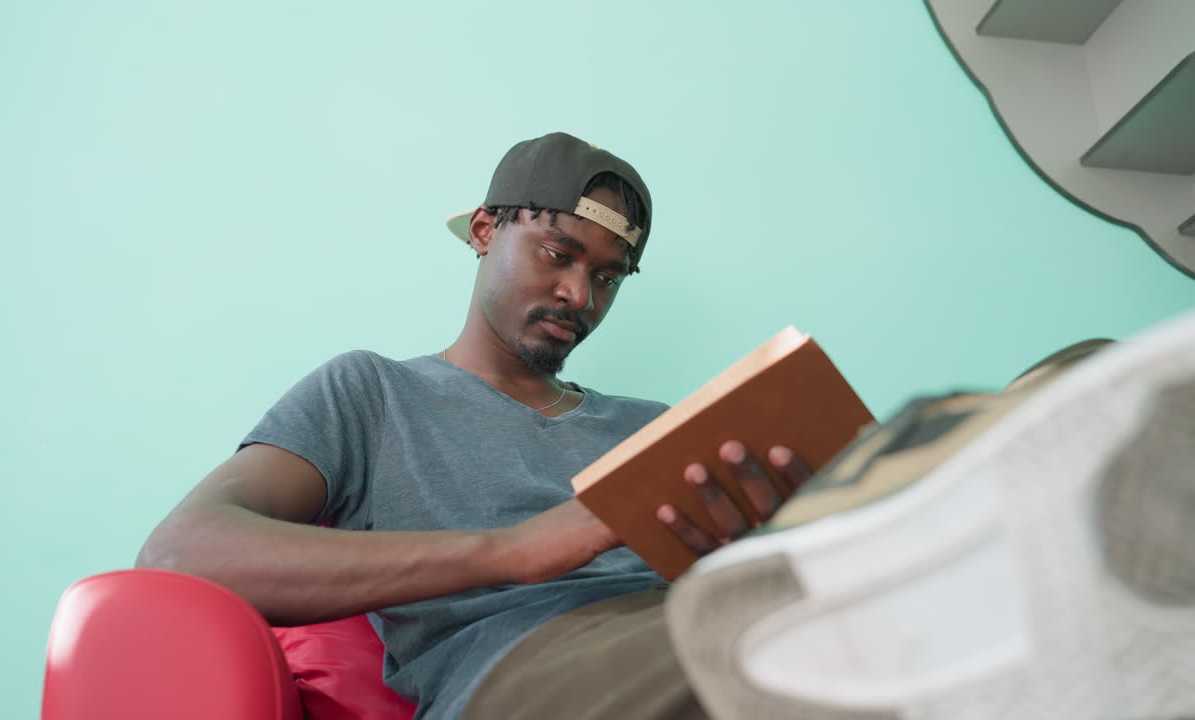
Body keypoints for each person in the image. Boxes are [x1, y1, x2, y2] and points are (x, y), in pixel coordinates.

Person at [137, 131, 811, 720]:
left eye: (608, 276)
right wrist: (516, 551)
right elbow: (182, 552)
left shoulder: (653, 428)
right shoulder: (374, 393)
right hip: (528, 673)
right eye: (558, 253)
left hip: (695, 629)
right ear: (487, 230)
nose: (580, 295)